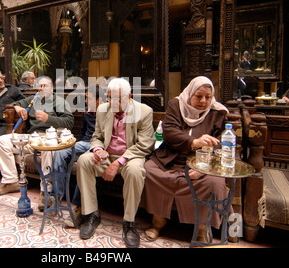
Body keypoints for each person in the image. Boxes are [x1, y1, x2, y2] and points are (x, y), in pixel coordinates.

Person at [140, 76, 229, 242]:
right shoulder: (176, 105)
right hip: (172, 159)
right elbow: (169, 132)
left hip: (201, 163)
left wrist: (203, 168)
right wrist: (194, 142)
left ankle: (202, 229)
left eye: (208, 97)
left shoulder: (217, 113)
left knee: (214, 183)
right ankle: (158, 221)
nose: (203, 101)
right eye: (198, 96)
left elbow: (221, 145)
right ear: (189, 94)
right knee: (149, 170)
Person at [76, 78, 155, 248]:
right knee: (84, 160)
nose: (112, 102)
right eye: (110, 97)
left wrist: (118, 162)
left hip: (130, 157)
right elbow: (96, 137)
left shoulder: (144, 111)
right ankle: (91, 214)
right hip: (107, 156)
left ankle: (129, 222)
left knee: (135, 171)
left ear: (129, 97)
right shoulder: (103, 109)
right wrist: (97, 150)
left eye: (117, 99)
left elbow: (145, 145)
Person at [0, 76, 74, 211]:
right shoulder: (33, 99)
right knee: (2, 141)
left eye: (45, 86)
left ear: (52, 88)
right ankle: (11, 182)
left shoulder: (59, 101)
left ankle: (46, 192)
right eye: (39, 86)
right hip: (32, 138)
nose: (41, 89)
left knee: (49, 149)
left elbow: (69, 122)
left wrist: (49, 118)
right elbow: (17, 103)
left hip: (50, 138)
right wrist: (18, 108)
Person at [52, 85, 102, 225]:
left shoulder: (107, 112)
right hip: (84, 143)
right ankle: (56, 197)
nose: (86, 101)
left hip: (97, 146)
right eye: (85, 97)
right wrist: (73, 147)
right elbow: (82, 132)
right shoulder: (86, 112)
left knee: (84, 162)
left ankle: (78, 207)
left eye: (89, 98)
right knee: (59, 152)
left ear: (99, 101)